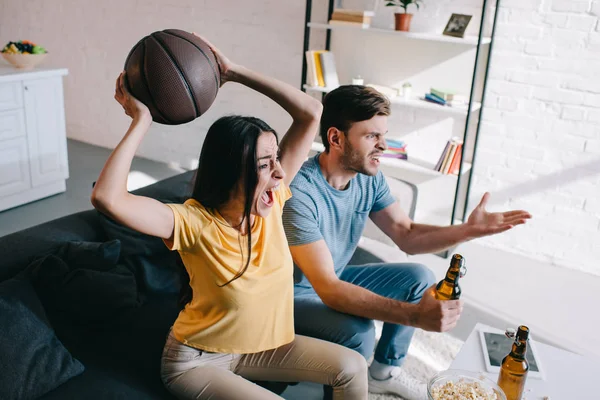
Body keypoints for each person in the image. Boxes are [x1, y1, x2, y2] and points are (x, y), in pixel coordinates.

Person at [91, 37, 368, 400]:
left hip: (259, 347)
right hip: (197, 362)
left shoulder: (273, 201)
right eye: (265, 165)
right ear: (232, 173)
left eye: (277, 161)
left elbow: (311, 112)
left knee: (352, 368)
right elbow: (107, 197)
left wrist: (231, 71)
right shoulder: (192, 223)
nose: (281, 174)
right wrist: (141, 119)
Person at [282, 85, 532, 399]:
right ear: (335, 138)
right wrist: (415, 316)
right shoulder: (300, 193)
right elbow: (328, 289)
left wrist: (467, 230)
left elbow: (407, 234)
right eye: (372, 136)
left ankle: (383, 373)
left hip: (330, 275)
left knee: (419, 279)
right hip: (292, 293)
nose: (383, 145)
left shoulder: (368, 178)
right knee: (359, 333)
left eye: (383, 135)